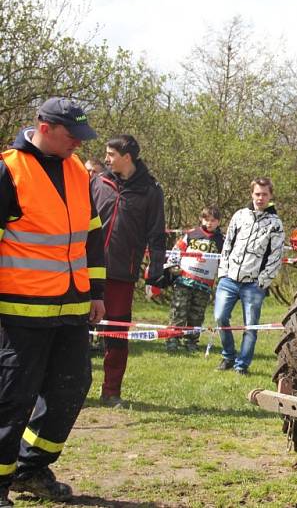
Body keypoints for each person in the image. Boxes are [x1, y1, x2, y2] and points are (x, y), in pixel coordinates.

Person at [0, 98, 105, 504]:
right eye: (71, 134)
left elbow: (91, 236)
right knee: (13, 397)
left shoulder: (77, 170)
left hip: (72, 308)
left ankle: (31, 469)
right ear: (43, 125)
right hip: (21, 311)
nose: (78, 143)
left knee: (71, 387)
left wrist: (95, 292)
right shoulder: (8, 169)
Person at [92, 134, 166, 407]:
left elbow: (157, 235)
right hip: (86, 269)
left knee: (117, 336)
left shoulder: (150, 190)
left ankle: (111, 391)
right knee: (75, 332)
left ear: (127, 157)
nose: (107, 159)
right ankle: (71, 388)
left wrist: (155, 273)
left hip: (122, 274)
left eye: (111, 155)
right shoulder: (98, 182)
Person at [215, 178, 284, 375]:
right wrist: (223, 272)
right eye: (257, 194)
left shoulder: (275, 223)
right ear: (251, 194)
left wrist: (263, 281)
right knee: (220, 318)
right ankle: (228, 355)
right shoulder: (239, 216)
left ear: (270, 196)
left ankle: (241, 365)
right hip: (229, 279)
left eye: (264, 194)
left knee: (250, 327)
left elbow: (276, 255)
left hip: (253, 285)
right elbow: (227, 244)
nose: (260, 198)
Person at [165, 206, 225, 353]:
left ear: (219, 221)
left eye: (213, 220)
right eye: (207, 219)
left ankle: (191, 342)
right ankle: (173, 339)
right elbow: (177, 249)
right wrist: (173, 266)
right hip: (184, 280)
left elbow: (225, 260)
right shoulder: (192, 234)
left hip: (204, 284)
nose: (210, 223)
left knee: (197, 314)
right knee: (179, 310)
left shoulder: (222, 240)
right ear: (201, 219)